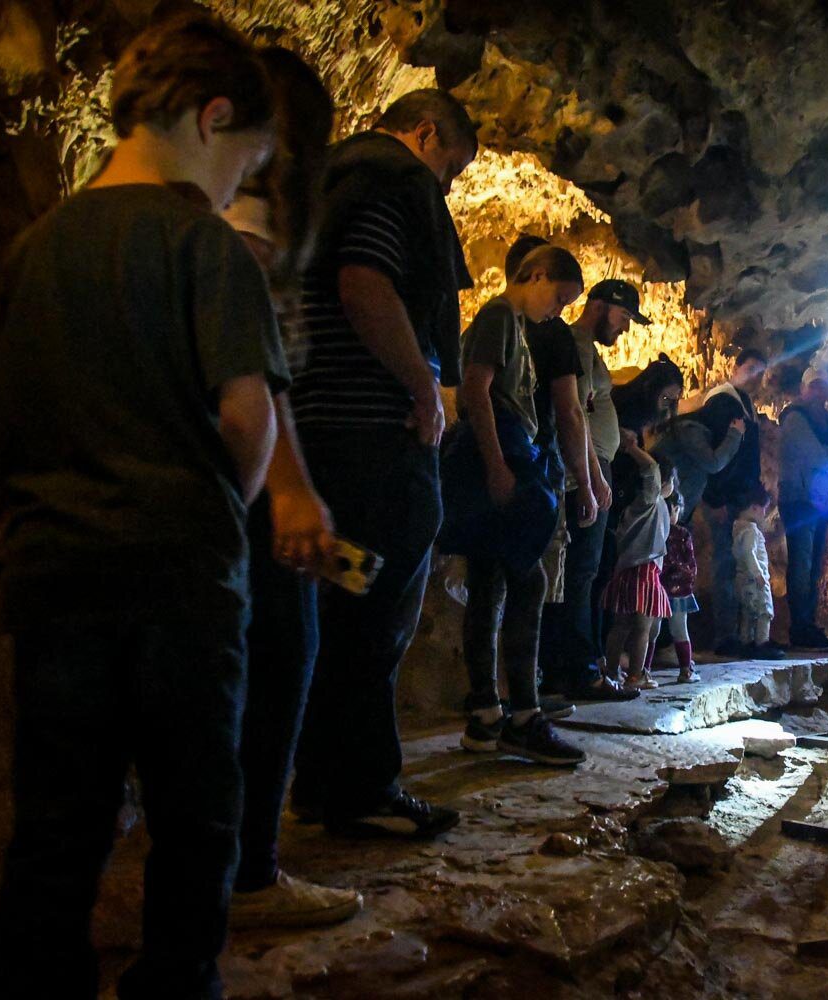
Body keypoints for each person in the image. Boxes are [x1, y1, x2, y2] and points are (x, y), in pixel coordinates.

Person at [0, 13, 285, 998]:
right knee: (197, 803)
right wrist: (222, 512)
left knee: (61, 806)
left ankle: (33, 977)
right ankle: (176, 980)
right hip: (180, 574)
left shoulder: (34, 250)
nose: (240, 184)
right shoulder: (206, 245)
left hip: (57, 574)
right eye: (246, 161)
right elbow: (246, 414)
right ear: (211, 115)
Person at [290, 87, 477, 838]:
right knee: (376, 609)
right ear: (426, 133)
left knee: (338, 610)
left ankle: (318, 781)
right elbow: (365, 283)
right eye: (453, 168)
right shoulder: (388, 181)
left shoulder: (322, 181)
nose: (449, 187)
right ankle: (362, 789)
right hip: (375, 442)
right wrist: (423, 386)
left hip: (319, 436)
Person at [221, 47, 362, 928]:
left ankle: (229, 862)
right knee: (280, 652)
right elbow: (253, 355)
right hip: (242, 471)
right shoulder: (252, 206)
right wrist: (290, 486)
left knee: (266, 656)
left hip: (232, 468)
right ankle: (248, 876)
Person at [454, 244, 589, 766]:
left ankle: (486, 715)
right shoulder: (499, 316)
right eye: (559, 296)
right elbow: (476, 390)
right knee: (528, 581)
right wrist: (496, 465)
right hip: (504, 455)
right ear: (535, 274)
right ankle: (524, 718)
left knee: (488, 584)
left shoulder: (508, 322)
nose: (558, 310)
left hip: (503, 454)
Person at [538, 280, 650, 702]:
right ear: (601, 307)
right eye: (623, 318)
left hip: (591, 466)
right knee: (580, 572)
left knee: (584, 571)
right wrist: (593, 478)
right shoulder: (578, 341)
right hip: (585, 470)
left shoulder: (586, 347)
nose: (624, 329)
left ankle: (569, 668)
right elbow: (574, 412)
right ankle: (580, 672)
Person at [692, 348, 774, 657]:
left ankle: (746, 634)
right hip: (723, 499)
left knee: (740, 566)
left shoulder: (743, 403)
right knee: (725, 564)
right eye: (751, 368)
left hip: (738, 499)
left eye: (761, 372)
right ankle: (727, 637)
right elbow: (716, 453)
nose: (756, 377)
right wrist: (714, 498)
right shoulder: (723, 402)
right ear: (735, 367)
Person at [777, 367, 828, 651]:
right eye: (814, 386)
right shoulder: (795, 418)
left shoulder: (826, 422)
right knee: (802, 564)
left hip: (819, 502)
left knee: (813, 566)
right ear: (804, 389)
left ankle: (808, 624)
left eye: (823, 386)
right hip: (798, 500)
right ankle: (800, 627)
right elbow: (817, 458)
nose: (819, 392)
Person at [602, 432, 675, 689]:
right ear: (664, 481)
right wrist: (633, 448)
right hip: (645, 570)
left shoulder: (632, 506)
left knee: (620, 626)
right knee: (643, 627)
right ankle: (636, 675)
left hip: (625, 570)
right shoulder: (650, 500)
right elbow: (651, 467)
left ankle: (611, 672)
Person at [651, 411, 745, 521]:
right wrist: (734, 435)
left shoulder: (703, 440)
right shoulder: (691, 430)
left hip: (666, 510)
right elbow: (713, 463)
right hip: (657, 501)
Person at [732, 486, 781, 658]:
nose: (764, 513)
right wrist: (759, 574)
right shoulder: (751, 530)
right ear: (754, 508)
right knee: (764, 611)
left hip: (742, 578)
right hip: (754, 579)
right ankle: (762, 642)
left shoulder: (737, 527)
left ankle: (746, 642)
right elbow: (749, 552)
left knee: (748, 612)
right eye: (764, 509)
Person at [661, 490, 701, 683]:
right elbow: (691, 564)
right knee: (679, 630)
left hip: (660, 589)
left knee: (652, 630)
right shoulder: (681, 534)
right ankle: (685, 670)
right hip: (676, 591)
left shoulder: (659, 532)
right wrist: (687, 582)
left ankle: (642, 670)